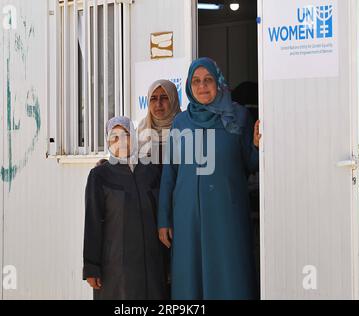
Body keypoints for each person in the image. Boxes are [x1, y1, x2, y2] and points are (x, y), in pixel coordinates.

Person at [158, 57, 262, 300]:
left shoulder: (238, 116)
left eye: (208, 80)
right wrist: (164, 218)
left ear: (219, 83)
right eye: (196, 81)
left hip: (226, 214)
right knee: (190, 277)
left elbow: (251, 165)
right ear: (189, 86)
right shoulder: (180, 122)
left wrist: (256, 146)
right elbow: (169, 173)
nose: (202, 86)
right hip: (188, 217)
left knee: (229, 273)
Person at [83, 116, 168, 300]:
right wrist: (91, 267)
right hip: (115, 267)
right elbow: (92, 223)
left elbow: (163, 215)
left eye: (125, 135)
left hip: (151, 262)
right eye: (114, 137)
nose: (120, 142)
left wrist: (168, 263)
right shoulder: (100, 175)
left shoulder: (151, 171)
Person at [138, 80, 182, 164]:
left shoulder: (185, 128)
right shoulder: (140, 130)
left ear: (174, 99)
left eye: (164, 97)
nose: (158, 104)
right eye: (153, 98)